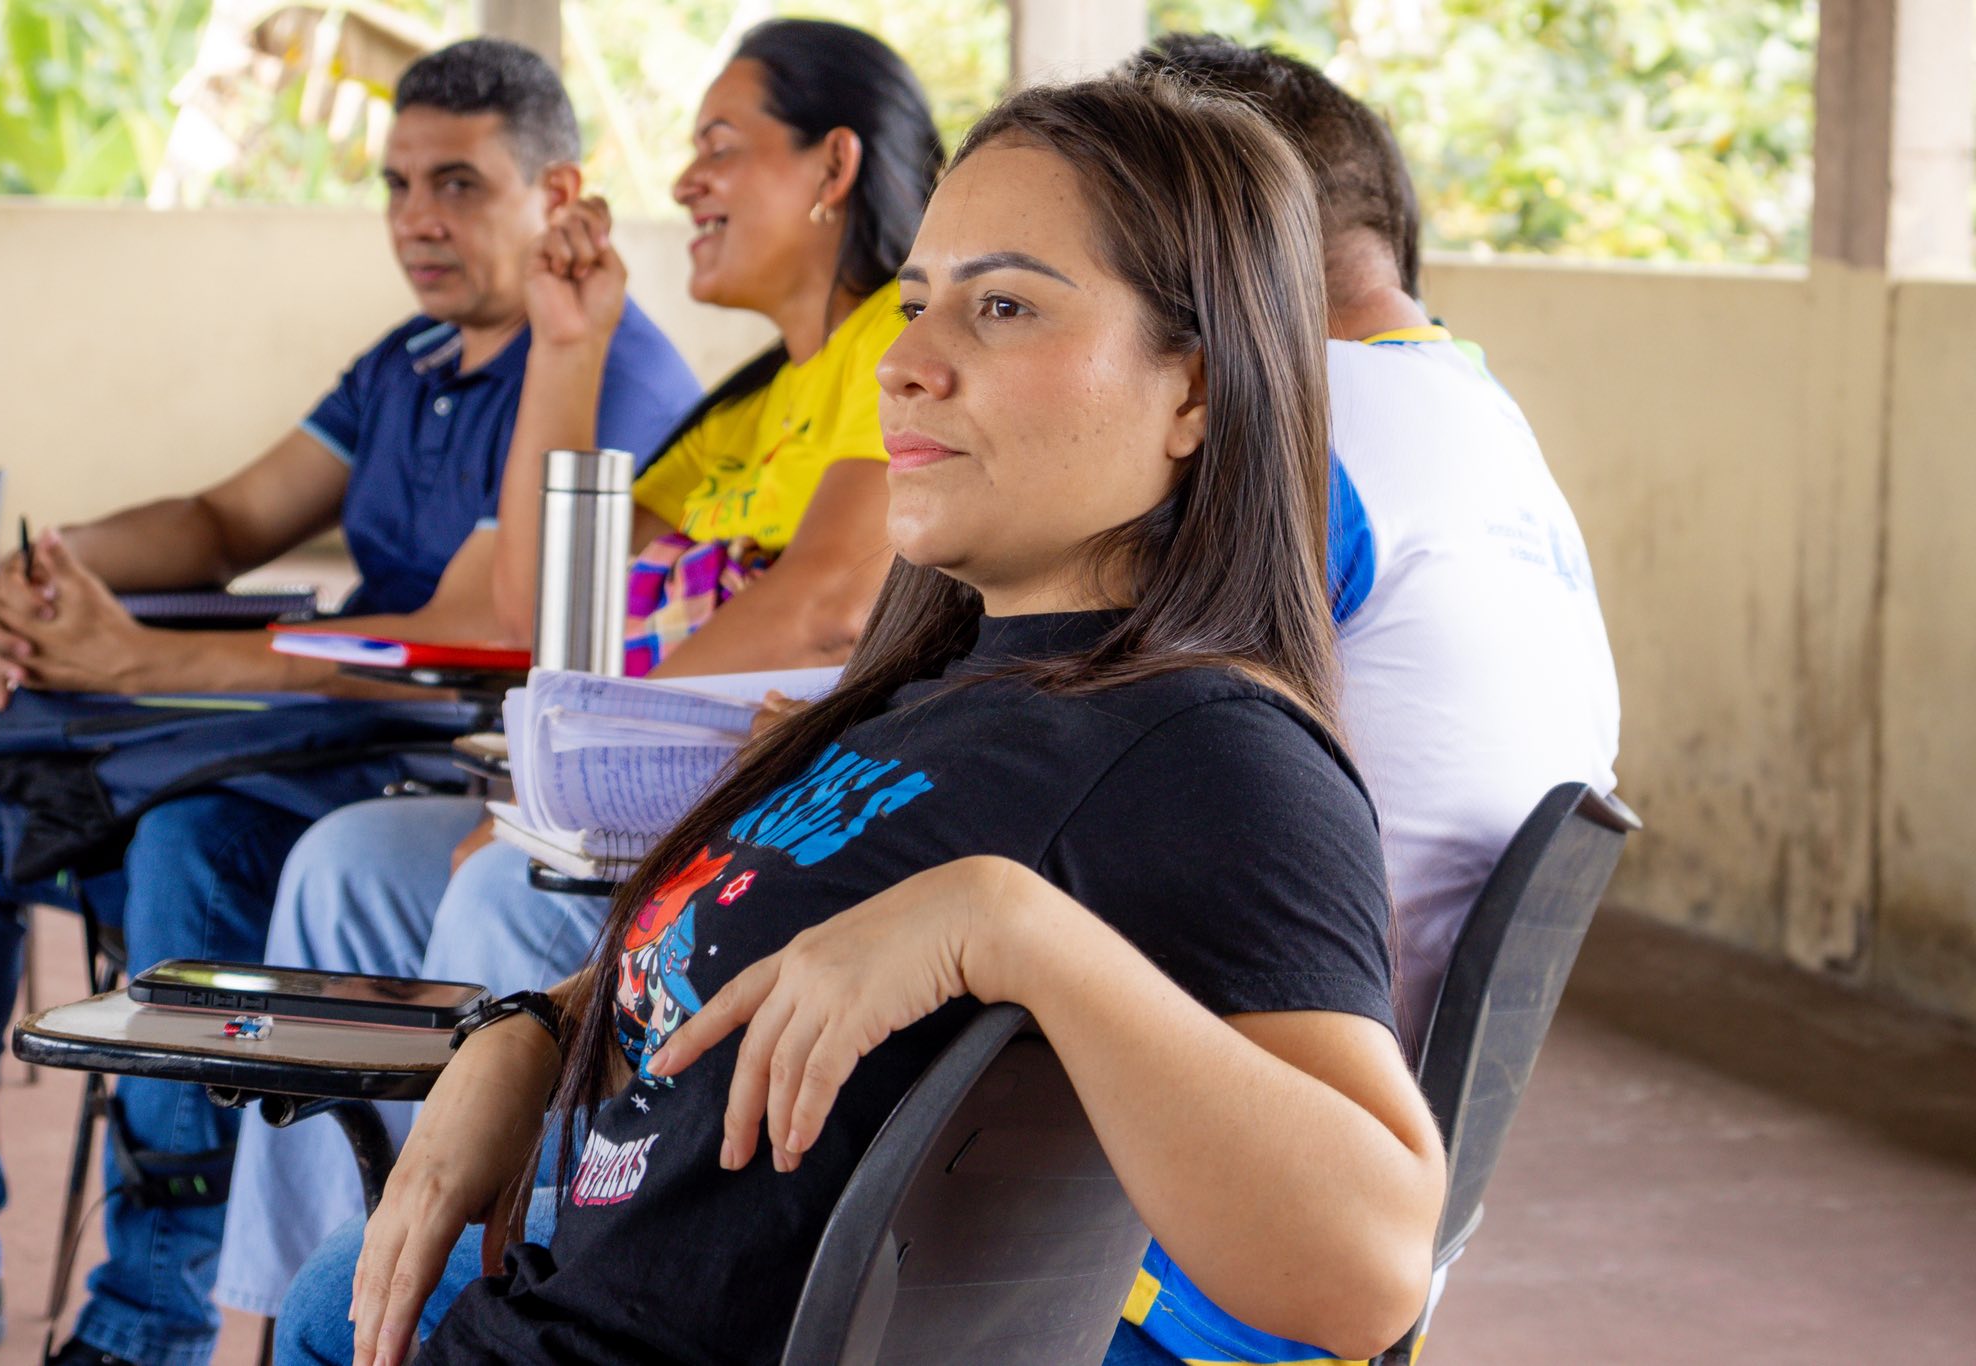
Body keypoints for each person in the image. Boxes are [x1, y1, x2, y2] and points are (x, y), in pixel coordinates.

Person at [280, 72, 1448, 1366]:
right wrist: (534, 1033)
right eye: (914, 303)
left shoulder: (1207, 749)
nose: (902, 364)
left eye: (1003, 306)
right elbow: (720, 966)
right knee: (329, 1293)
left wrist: (1008, 929)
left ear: (1195, 392)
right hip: (557, 1292)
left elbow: (1371, 1273)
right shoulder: (946, 681)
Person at [0, 38, 699, 1366]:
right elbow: (226, 518)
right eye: (397, 184)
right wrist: (46, 571)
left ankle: (152, 1314)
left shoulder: (602, 371)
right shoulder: (411, 358)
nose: (416, 219)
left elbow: (475, 629)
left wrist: (142, 661)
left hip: (439, 755)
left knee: (192, 839)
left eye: (458, 184)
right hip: (314, 734)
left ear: (559, 194)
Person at [211, 19, 943, 1325]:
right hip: (610, 812)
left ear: (833, 166)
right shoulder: (747, 402)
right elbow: (545, 613)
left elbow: (828, 601)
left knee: (498, 886)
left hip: (739, 820)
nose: (684, 181)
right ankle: (277, 1324)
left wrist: (565, 781)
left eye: (720, 146)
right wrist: (567, 344)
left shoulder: (894, 347)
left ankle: (452, 1310)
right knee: (343, 864)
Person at [1102, 35, 1621, 1366]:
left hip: (1178, 1259)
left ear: (1223, 231)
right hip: (1348, 1229)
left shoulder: (1307, 433)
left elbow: (1061, 748)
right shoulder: (1487, 430)